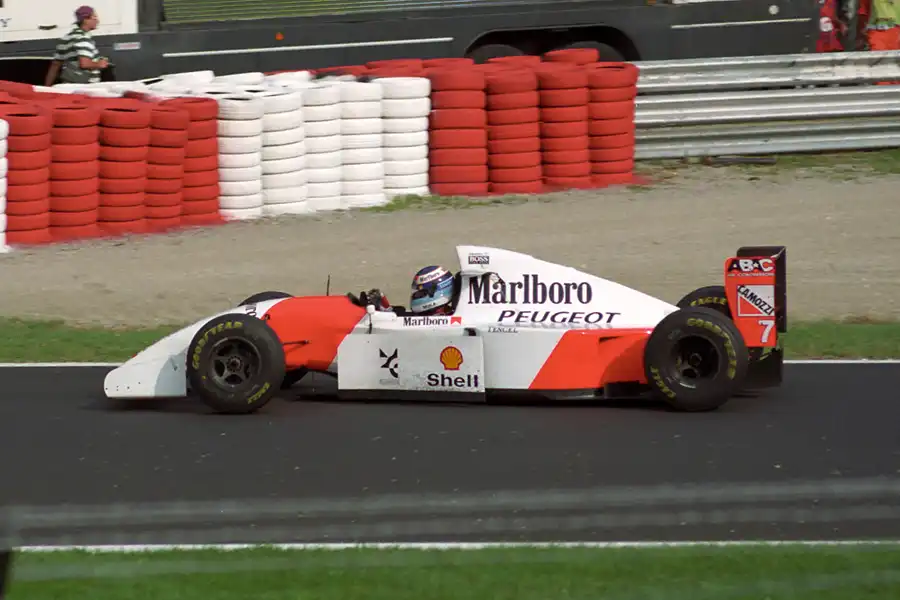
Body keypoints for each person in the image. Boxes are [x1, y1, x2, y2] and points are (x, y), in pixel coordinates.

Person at [44, 6, 109, 86]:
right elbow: (85, 64)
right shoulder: (82, 38)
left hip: (68, 85)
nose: (97, 20)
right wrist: (100, 64)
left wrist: (47, 87)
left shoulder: (66, 38)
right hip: (86, 87)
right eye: (94, 17)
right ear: (85, 19)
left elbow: (55, 65)